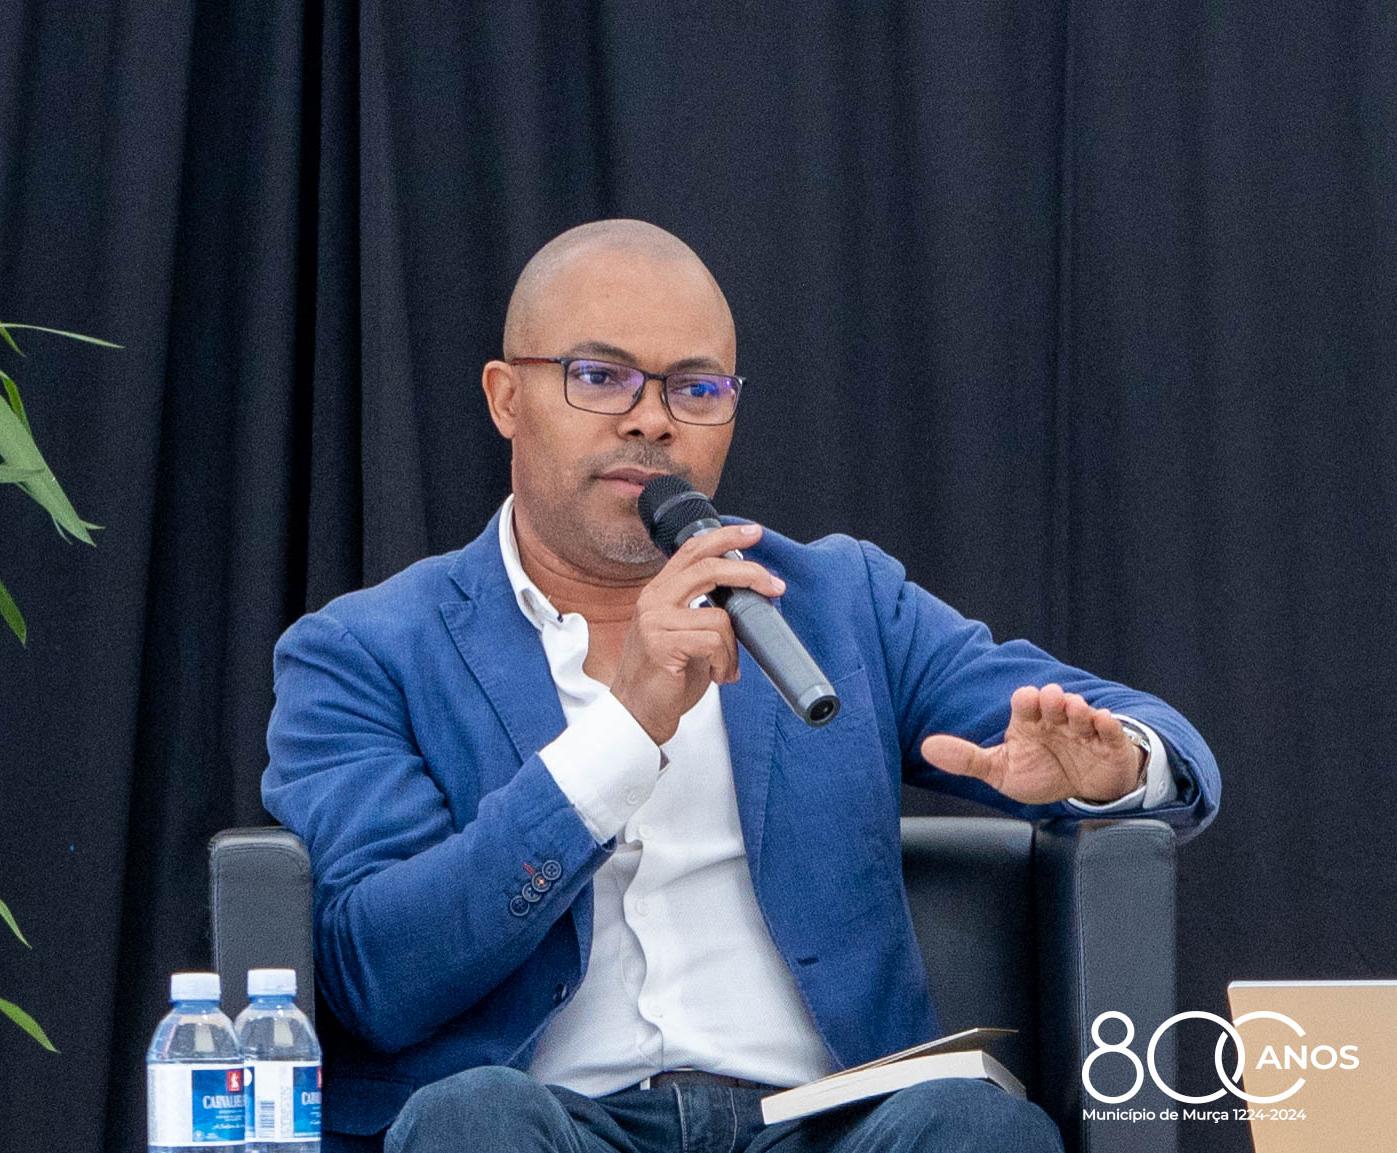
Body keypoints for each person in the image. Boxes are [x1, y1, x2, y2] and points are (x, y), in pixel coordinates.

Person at [262, 220, 1220, 1153]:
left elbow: (1160, 739)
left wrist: (1110, 769)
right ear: (506, 397)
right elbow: (377, 978)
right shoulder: (364, 650)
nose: (651, 419)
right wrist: (622, 733)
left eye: (695, 388)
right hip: (547, 1121)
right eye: (600, 376)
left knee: (978, 1128)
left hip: (824, 1124)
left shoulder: (834, 601)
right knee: (472, 1121)